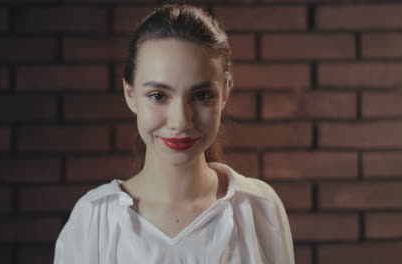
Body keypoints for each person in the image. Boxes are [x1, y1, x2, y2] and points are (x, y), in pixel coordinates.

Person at [54, 4, 294, 264]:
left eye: (202, 96)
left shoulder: (260, 206)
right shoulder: (94, 218)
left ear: (225, 94)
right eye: (158, 96)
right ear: (130, 95)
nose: (181, 121)